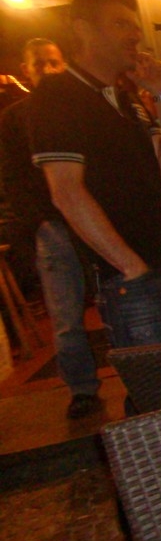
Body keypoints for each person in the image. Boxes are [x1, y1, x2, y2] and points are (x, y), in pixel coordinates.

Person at [26, 0, 161, 351]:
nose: (135, 35)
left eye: (135, 27)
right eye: (121, 25)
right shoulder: (56, 96)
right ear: (83, 29)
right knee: (153, 384)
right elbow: (66, 193)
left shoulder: (125, 97)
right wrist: (131, 268)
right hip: (131, 279)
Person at [0, 38, 103, 419]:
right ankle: (82, 389)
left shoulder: (79, 107)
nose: (47, 69)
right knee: (65, 314)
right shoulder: (15, 118)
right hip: (55, 225)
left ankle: (125, 379)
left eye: (53, 62)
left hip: (90, 218)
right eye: (39, 63)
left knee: (116, 303)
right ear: (26, 71)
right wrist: (40, 221)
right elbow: (13, 177)